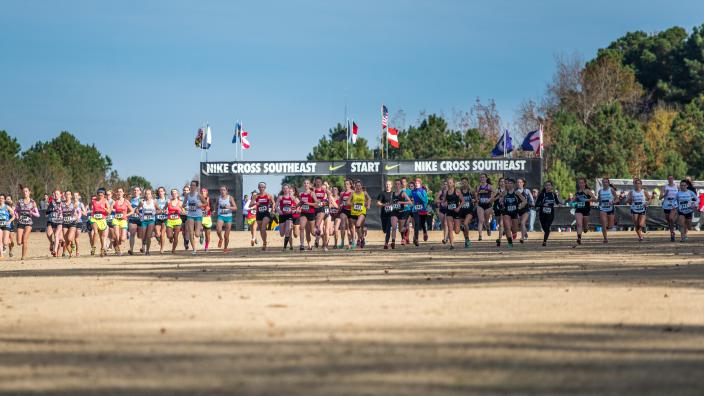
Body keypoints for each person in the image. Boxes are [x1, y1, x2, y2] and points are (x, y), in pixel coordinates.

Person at [499, 179, 526, 248]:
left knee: (514, 229)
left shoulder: (517, 193)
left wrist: (520, 207)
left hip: (515, 212)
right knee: (507, 227)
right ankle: (510, 242)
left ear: (513, 184)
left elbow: (524, 201)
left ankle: (514, 233)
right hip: (506, 212)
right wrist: (501, 202)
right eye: (507, 183)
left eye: (510, 183)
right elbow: (500, 200)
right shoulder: (504, 192)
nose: (508, 184)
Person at [15, 186, 40, 260]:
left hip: (29, 223)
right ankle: (21, 241)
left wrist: (31, 212)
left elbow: (38, 215)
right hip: (21, 222)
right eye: (23, 191)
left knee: (25, 240)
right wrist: (17, 216)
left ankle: (23, 256)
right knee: (19, 242)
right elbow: (16, 210)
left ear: (29, 192)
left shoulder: (32, 202)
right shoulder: (20, 201)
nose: (25, 193)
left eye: (26, 191)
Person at [534, 180, 561, 246]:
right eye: (546, 185)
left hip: (550, 213)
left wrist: (559, 204)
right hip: (542, 214)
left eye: (549, 185)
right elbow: (537, 204)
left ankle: (544, 241)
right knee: (545, 228)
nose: (547, 186)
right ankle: (545, 238)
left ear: (552, 187)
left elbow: (557, 202)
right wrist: (543, 204)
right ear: (545, 187)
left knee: (548, 227)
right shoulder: (542, 194)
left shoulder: (553, 194)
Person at [184, 180, 207, 255]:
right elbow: (184, 203)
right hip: (190, 215)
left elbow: (205, 203)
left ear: (196, 187)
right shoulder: (187, 195)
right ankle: (194, 249)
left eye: (193, 185)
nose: (192, 186)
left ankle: (200, 234)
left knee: (196, 234)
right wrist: (183, 206)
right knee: (190, 232)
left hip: (198, 215)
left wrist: (201, 205)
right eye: (191, 185)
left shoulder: (198, 195)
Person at [442, 178, 465, 250]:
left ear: (453, 184)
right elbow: (443, 201)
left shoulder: (457, 191)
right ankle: (452, 245)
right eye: (448, 183)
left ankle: (460, 227)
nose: (449, 184)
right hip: (449, 212)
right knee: (450, 228)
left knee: (457, 231)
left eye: (450, 183)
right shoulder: (446, 192)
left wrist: (458, 208)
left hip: (456, 211)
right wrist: (443, 203)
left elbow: (463, 201)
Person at [111, 187, 133, 256]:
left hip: (123, 220)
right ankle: (119, 251)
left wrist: (126, 215)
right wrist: (115, 211)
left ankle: (116, 244)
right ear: (117, 193)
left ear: (123, 193)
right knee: (117, 236)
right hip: (116, 220)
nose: (119, 193)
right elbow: (111, 208)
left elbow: (132, 211)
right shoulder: (115, 201)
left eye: (121, 191)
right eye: (118, 191)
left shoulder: (126, 201)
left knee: (123, 238)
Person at [349, 180, 371, 249]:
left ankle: (361, 238)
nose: (358, 187)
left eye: (359, 185)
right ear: (355, 186)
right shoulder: (353, 193)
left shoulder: (364, 193)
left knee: (358, 224)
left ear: (361, 186)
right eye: (357, 186)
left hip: (362, 212)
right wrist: (353, 203)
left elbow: (369, 199)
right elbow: (347, 202)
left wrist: (368, 205)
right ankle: (361, 238)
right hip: (354, 213)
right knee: (358, 227)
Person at [252, 182, 275, 251]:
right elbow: (250, 204)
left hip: (266, 214)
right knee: (261, 230)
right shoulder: (255, 196)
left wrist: (273, 210)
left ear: (265, 188)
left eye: (263, 187)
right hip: (259, 214)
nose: (261, 188)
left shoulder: (268, 195)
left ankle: (264, 244)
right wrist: (256, 203)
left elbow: (273, 202)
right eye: (260, 187)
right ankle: (264, 242)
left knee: (263, 228)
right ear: (258, 188)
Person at [216, 186, 237, 253]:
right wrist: (214, 210)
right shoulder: (218, 198)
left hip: (228, 217)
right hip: (221, 216)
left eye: (224, 190)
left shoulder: (230, 198)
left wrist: (229, 207)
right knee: (218, 230)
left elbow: (235, 208)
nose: (222, 191)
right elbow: (216, 205)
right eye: (221, 190)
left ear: (226, 191)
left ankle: (225, 248)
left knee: (226, 235)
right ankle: (220, 239)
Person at [276, 183, 297, 251]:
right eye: (284, 188)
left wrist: (294, 210)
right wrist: (279, 210)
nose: (285, 190)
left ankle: (284, 247)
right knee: (282, 234)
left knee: (288, 230)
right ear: (282, 189)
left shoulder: (292, 197)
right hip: (282, 215)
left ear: (289, 189)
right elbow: (276, 206)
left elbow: (298, 204)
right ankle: (289, 244)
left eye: (287, 188)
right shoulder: (280, 197)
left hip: (289, 215)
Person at [297, 180, 318, 251]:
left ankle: (318, 236)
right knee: (301, 227)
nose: (306, 184)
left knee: (312, 232)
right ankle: (302, 245)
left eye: (307, 183)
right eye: (305, 183)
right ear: (303, 185)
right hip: (303, 213)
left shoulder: (312, 193)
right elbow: (301, 202)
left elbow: (316, 204)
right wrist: (296, 206)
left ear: (310, 185)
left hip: (311, 213)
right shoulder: (301, 194)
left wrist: (308, 203)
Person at [89, 188, 110, 257]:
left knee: (102, 236)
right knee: (95, 231)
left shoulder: (105, 201)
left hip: (102, 219)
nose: (100, 196)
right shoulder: (93, 201)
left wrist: (104, 208)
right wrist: (92, 210)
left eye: (101, 195)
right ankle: (94, 247)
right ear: (97, 195)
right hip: (94, 219)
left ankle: (102, 249)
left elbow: (109, 212)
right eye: (99, 195)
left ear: (104, 195)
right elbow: (90, 206)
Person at [627, 178, 650, 242]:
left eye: (639, 183)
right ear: (634, 184)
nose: (637, 185)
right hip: (634, 209)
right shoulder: (631, 192)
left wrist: (647, 203)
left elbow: (649, 198)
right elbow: (628, 201)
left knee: (640, 224)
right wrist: (630, 200)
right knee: (636, 224)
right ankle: (640, 237)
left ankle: (643, 225)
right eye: (636, 183)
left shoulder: (644, 191)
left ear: (641, 184)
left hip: (642, 209)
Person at [136, 189, 158, 255]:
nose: (147, 195)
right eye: (146, 194)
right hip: (144, 221)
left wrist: (155, 213)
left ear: (151, 195)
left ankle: (147, 250)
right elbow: (137, 209)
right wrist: (139, 214)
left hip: (151, 220)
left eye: (149, 194)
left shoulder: (154, 202)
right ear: (144, 195)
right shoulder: (142, 202)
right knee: (143, 235)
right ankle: (143, 246)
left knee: (148, 236)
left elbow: (159, 210)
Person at [597, 178, 617, 243]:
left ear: (608, 183)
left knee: (610, 226)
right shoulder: (600, 191)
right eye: (603, 182)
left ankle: (607, 228)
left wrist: (613, 202)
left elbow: (617, 199)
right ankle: (605, 238)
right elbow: (599, 200)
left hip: (610, 208)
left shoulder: (611, 190)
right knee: (603, 224)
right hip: (602, 209)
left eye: (606, 182)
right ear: (602, 184)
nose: (604, 183)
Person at [45, 189, 64, 257]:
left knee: (56, 235)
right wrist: (49, 211)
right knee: (48, 234)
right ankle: (51, 243)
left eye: (57, 194)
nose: (56, 195)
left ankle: (55, 251)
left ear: (61, 195)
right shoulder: (51, 202)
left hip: (59, 221)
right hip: (51, 221)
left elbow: (67, 211)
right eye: (55, 194)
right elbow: (47, 212)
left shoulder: (63, 203)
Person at [411, 178, 430, 245]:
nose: (416, 184)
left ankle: (425, 232)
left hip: (423, 210)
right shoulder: (413, 191)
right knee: (417, 223)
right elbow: (409, 198)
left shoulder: (423, 191)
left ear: (420, 184)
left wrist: (420, 196)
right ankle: (416, 239)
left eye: (417, 183)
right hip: (415, 210)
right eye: (415, 183)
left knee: (422, 223)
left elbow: (426, 201)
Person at [166, 189, 185, 253]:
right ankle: (171, 238)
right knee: (169, 236)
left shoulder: (180, 202)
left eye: (175, 193)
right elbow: (164, 209)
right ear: (171, 194)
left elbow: (184, 212)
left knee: (176, 236)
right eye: (173, 193)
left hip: (177, 221)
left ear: (177, 194)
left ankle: (173, 250)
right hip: (170, 221)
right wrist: (165, 211)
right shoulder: (168, 202)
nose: (174, 194)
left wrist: (180, 212)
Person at [660, 176, 679, 242]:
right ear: (667, 179)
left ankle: (673, 231)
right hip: (666, 205)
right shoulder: (664, 187)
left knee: (671, 218)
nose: (670, 179)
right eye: (669, 178)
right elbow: (660, 197)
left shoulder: (677, 186)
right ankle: (672, 233)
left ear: (673, 179)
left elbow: (679, 195)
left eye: (672, 178)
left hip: (674, 205)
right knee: (669, 221)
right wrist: (665, 194)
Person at [377, 180, 394, 249]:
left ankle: (386, 243)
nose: (387, 186)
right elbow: (378, 203)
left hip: (391, 213)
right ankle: (386, 240)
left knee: (388, 229)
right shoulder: (382, 193)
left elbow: (396, 202)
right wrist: (384, 205)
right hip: (383, 213)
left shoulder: (393, 193)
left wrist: (392, 204)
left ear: (391, 185)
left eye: (389, 184)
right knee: (384, 229)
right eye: (386, 184)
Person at [475, 174, 493, 241]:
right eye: (481, 177)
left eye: (483, 177)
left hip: (488, 206)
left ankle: (488, 228)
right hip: (480, 205)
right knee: (481, 220)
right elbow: (476, 194)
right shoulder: (478, 187)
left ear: (486, 178)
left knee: (486, 221)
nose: (482, 178)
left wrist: (490, 199)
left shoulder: (489, 186)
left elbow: (494, 192)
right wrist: (477, 199)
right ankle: (480, 235)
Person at [60, 191, 78, 258]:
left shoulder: (73, 204)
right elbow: (60, 212)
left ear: (71, 196)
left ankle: (73, 243)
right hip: (64, 223)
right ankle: (70, 254)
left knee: (69, 238)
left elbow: (77, 213)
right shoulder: (62, 204)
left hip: (72, 223)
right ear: (64, 195)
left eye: (69, 194)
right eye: (66, 194)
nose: (67, 195)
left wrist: (75, 217)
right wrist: (60, 216)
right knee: (66, 241)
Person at [516, 178, 534, 243]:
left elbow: (531, 200)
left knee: (523, 223)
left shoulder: (527, 191)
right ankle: (525, 234)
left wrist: (531, 203)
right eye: (517, 182)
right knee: (520, 224)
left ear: (523, 183)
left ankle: (522, 238)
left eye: (520, 182)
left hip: (526, 209)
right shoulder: (515, 192)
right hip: (518, 210)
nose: (519, 184)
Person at [459, 177, 475, 248]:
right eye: (462, 182)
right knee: (461, 227)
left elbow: (476, 198)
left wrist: (474, 201)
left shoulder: (471, 191)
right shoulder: (459, 191)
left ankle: (467, 239)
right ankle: (466, 239)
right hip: (461, 212)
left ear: (468, 183)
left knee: (465, 223)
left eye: (465, 182)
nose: (464, 184)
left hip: (469, 211)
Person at [127, 186, 143, 255]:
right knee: (132, 234)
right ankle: (131, 249)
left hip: (141, 219)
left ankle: (143, 247)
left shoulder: (143, 199)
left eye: (137, 190)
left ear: (140, 192)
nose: (136, 191)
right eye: (134, 190)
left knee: (141, 235)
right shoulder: (130, 200)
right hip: (132, 218)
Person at [338, 179, 353, 249]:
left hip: (351, 210)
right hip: (344, 210)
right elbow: (339, 202)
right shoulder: (342, 193)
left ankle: (352, 241)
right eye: (345, 184)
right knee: (343, 225)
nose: (346, 185)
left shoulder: (353, 192)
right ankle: (342, 241)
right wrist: (339, 206)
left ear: (350, 185)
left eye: (347, 184)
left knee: (350, 227)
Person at [0, 194, 16, 259]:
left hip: (6, 225)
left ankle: (9, 241)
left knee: (5, 242)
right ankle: (1, 255)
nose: (1, 199)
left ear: (4, 199)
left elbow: (14, 216)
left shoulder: (7, 207)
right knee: (0, 241)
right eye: (0, 198)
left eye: (2, 198)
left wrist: (9, 221)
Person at [491, 178, 506, 247]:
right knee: (500, 223)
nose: (502, 183)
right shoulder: (496, 190)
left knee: (501, 223)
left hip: (505, 208)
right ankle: (503, 231)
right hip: (497, 207)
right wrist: (498, 196)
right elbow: (492, 199)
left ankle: (499, 239)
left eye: (503, 181)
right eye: (501, 181)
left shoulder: (507, 190)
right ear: (499, 183)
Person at [154, 187, 169, 254]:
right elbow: (154, 210)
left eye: (162, 191)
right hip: (157, 218)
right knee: (157, 234)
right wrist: (159, 212)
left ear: (164, 192)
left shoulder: (167, 200)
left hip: (165, 218)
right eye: (159, 191)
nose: (160, 192)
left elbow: (170, 209)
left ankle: (162, 249)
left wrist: (167, 211)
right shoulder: (155, 200)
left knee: (163, 234)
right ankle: (160, 241)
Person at [200, 188, 213, 252]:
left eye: (204, 191)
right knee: (199, 228)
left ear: (207, 192)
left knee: (208, 235)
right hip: (200, 218)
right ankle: (201, 234)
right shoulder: (198, 199)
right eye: (202, 191)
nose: (203, 192)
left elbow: (212, 209)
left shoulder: (209, 199)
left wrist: (210, 209)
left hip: (207, 218)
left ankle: (206, 247)